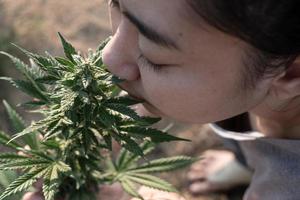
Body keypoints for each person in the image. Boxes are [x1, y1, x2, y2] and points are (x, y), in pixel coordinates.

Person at [24, 0, 300, 199]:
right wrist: (105, 123)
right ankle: (245, 162)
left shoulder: (286, 187)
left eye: (154, 56)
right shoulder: (249, 85)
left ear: (290, 72)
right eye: (117, 5)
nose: (109, 58)